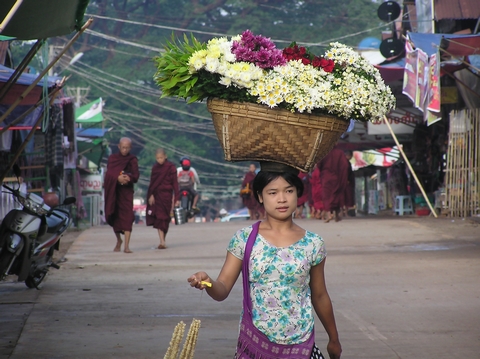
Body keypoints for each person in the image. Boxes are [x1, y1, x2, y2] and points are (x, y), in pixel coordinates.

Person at [188, 168, 342, 359]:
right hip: (255, 344)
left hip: (301, 345)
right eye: (273, 192)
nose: (282, 199)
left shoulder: (313, 243)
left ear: (297, 194)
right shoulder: (244, 239)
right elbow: (222, 288)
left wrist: (333, 339)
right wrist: (208, 282)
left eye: (289, 190)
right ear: (260, 196)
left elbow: (319, 295)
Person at [104, 137, 139, 253]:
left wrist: (128, 177)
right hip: (115, 192)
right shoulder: (113, 159)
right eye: (123, 147)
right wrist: (117, 178)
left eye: (127, 148)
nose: (125, 150)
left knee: (128, 218)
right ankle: (119, 240)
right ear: (119, 147)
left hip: (126, 193)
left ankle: (126, 246)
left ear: (130, 148)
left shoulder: (132, 159)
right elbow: (109, 173)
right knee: (115, 217)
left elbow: (136, 176)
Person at [146, 148, 179, 249]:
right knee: (159, 218)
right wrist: (151, 195)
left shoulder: (171, 167)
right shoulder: (155, 168)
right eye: (157, 158)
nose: (159, 160)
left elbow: (175, 183)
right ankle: (162, 241)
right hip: (157, 196)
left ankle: (163, 239)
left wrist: (177, 198)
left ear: (165, 156)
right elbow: (152, 183)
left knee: (166, 219)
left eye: (161, 158)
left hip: (167, 195)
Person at [318, 147, 350, 223]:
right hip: (337, 177)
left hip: (326, 176)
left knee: (327, 196)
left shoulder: (324, 152)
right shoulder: (340, 153)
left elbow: (319, 164)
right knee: (337, 195)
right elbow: (345, 165)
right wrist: (343, 176)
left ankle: (329, 214)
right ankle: (337, 215)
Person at [343, 150, 356, 216]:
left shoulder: (346, 162)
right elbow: (345, 172)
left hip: (346, 182)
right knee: (346, 198)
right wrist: (346, 179)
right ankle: (345, 212)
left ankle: (345, 212)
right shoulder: (345, 163)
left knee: (346, 198)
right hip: (346, 183)